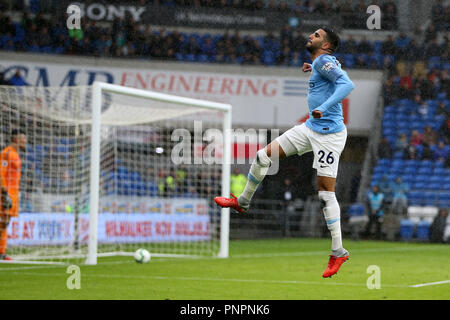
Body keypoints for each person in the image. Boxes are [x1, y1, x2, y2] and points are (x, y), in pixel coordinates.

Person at [215, 27, 354, 278]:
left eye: (317, 35)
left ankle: (338, 252)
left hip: (330, 136)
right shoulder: (321, 62)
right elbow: (331, 73)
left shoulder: (323, 60)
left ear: (327, 45)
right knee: (262, 156)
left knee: (324, 194)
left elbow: (347, 84)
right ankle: (243, 202)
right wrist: (313, 70)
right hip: (310, 128)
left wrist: (323, 106)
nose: (311, 35)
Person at [0, 129, 27, 260]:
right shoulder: (7, 153)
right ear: (16, 139)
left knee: (5, 223)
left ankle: (2, 252)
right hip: (6, 193)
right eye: (23, 139)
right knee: (2, 221)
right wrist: (4, 192)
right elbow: (1, 172)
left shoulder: (15, 154)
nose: (25, 141)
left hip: (14, 193)